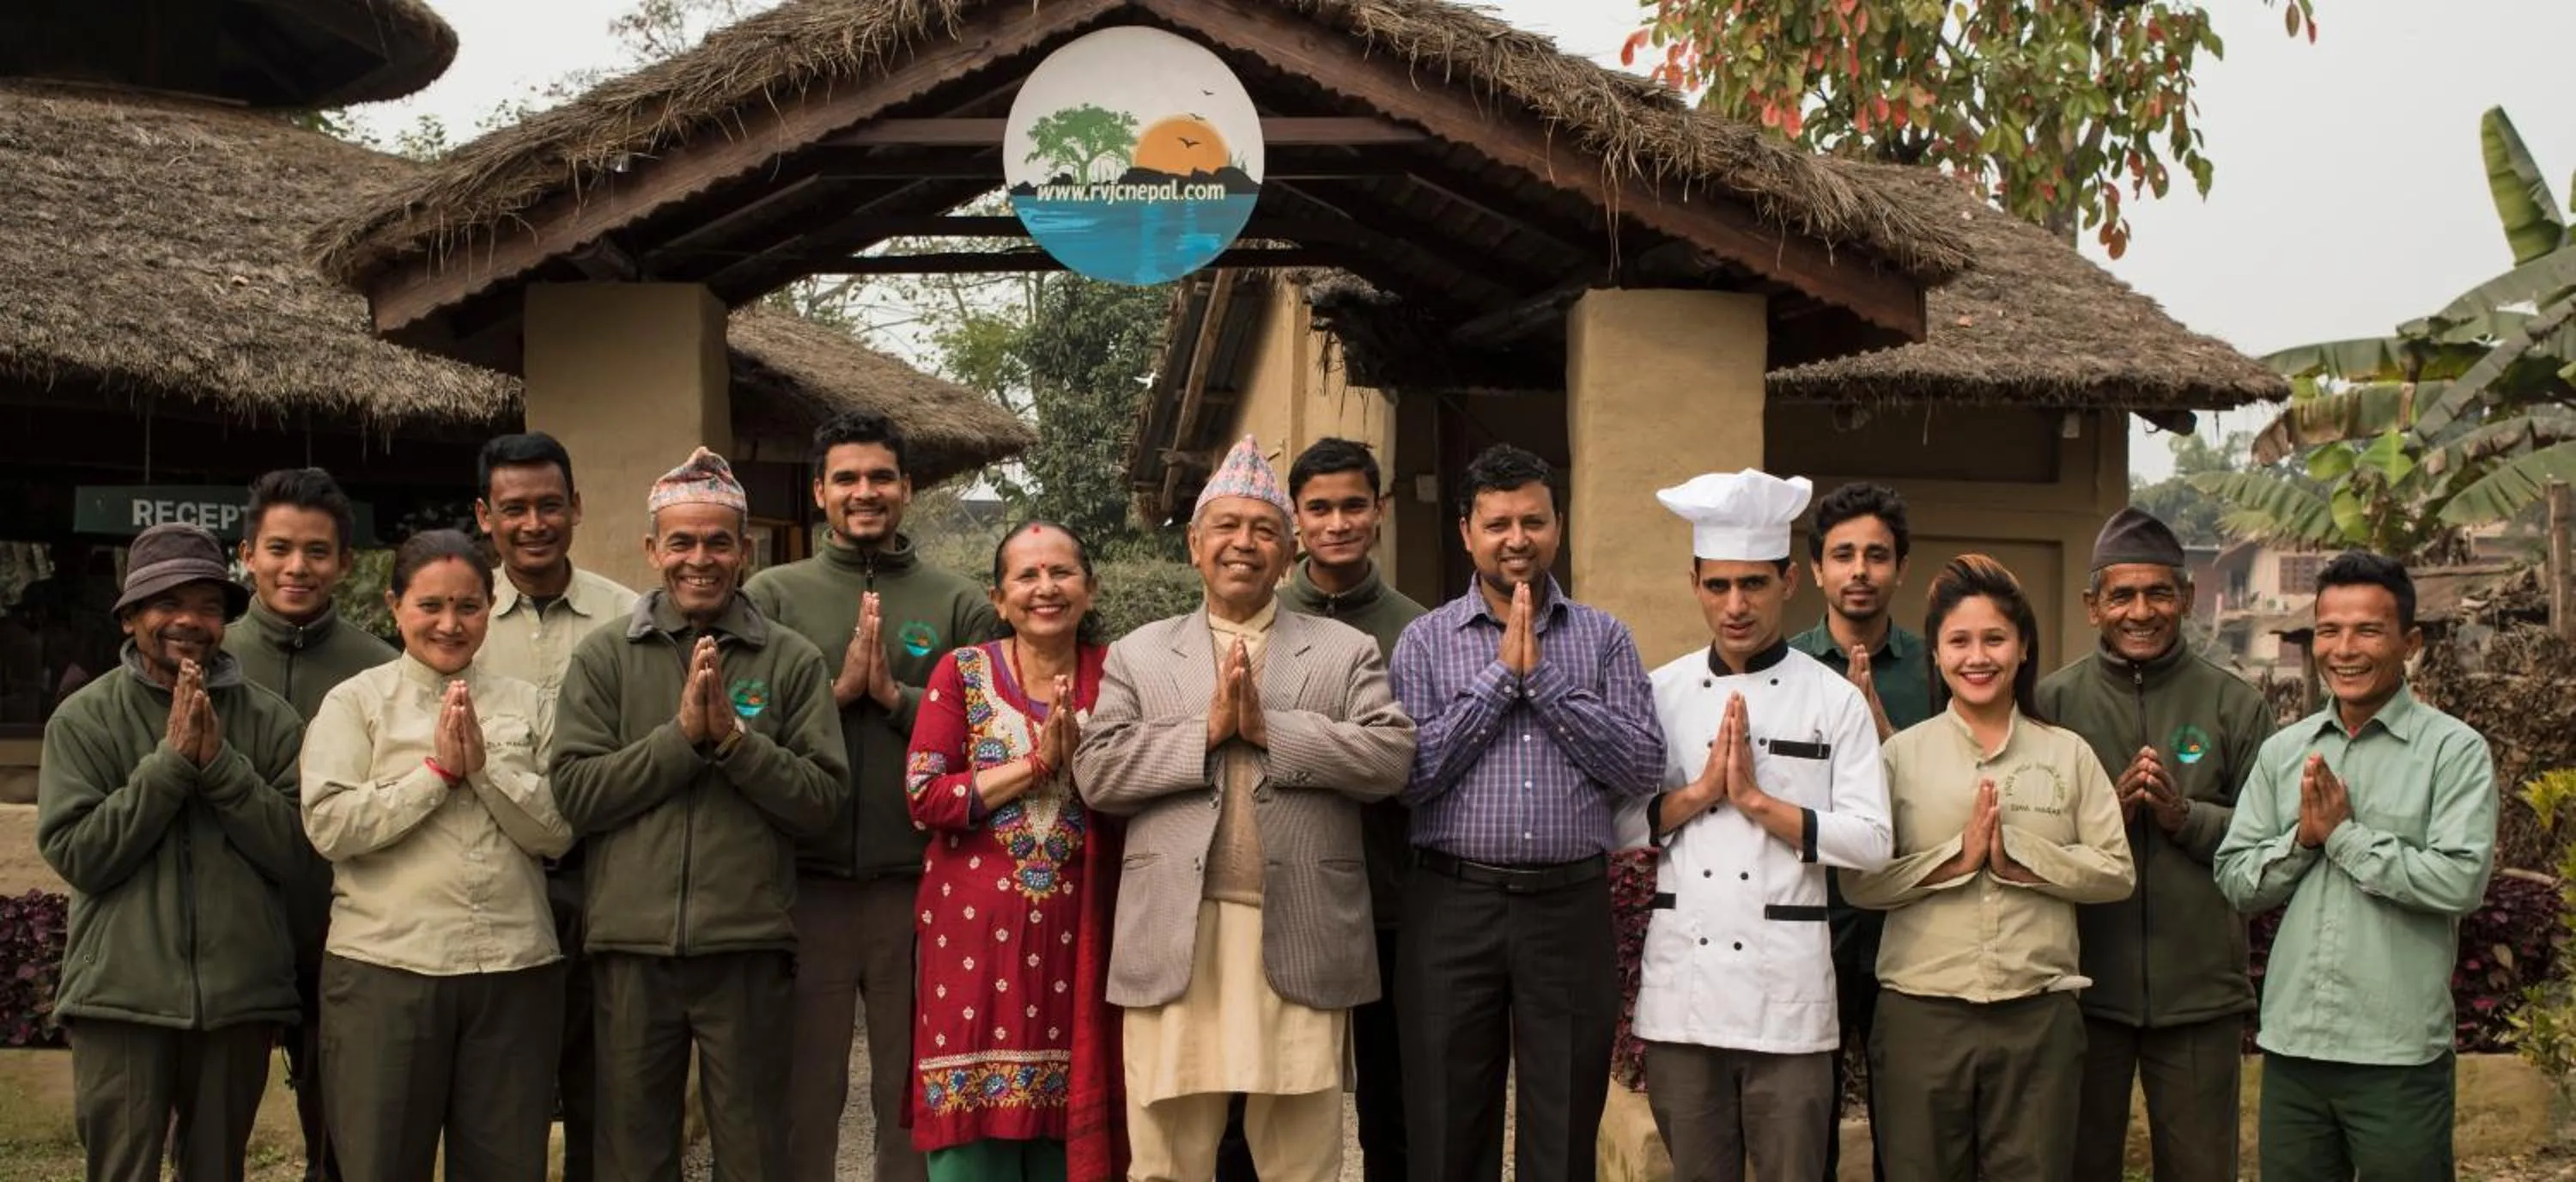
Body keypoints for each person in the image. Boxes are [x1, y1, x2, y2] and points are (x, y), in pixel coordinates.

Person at [1074, 436, 1417, 1182]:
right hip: (1175, 932)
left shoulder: (1343, 651)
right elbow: (1097, 771)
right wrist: (1205, 732)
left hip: (1299, 929)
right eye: (1226, 527)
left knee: (1302, 1156)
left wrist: (1272, 730)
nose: (1244, 544)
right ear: (1195, 545)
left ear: (1288, 551)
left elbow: (1390, 759)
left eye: (1264, 530)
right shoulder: (1139, 654)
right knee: (1167, 1155)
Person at [550, 448, 849, 1182]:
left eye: (718, 541)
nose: (700, 559)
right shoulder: (605, 659)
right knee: (632, 1153)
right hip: (630, 948)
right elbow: (578, 794)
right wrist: (681, 741)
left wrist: (738, 745)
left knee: (752, 1153)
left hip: (745, 945)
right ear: (653, 550)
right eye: (680, 541)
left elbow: (820, 802)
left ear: (744, 550)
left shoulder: (791, 660)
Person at [1391, 443, 1666, 1182]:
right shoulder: (1423, 641)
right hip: (1452, 903)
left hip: (1569, 906)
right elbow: (1409, 775)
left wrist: (1543, 683)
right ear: (1466, 533)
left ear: (1559, 525)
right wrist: (1497, 682)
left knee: (1567, 1124)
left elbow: (1642, 765)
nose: (1518, 539)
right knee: (1448, 1123)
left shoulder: (1604, 638)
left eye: (1534, 522)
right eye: (1499, 523)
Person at [744, 410, 996, 1182]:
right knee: (802, 1090)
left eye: (881, 477)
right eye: (846, 478)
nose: (865, 492)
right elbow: (742, 726)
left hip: (923, 883)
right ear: (819, 492)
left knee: (912, 1091)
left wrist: (895, 699)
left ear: (907, 488)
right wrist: (834, 692)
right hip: (801, 884)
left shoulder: (958, 605)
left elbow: (992, 736)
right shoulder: (771, 597)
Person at [1626, 471, 1893, 1182]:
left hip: (1789, 999)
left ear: (1788, 582)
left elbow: (1873, 839)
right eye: (1719, 586)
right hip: (1683, 994)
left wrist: (1758, 805)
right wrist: (1702, 793)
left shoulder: (1832, 700)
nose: (1736, 605)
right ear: (1695, 585)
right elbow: (1621, 825)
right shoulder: (1660, 691)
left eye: (1753, 584)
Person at [1840, 554, 2134, 1182]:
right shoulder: (1899, 757)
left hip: (2039, 1018)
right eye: (1960, 641)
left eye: (1995, 638)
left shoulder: (2068, 754)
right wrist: (1957, 859)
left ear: (2023, 648)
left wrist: (2018, 859)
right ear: (1938, 655)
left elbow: (2116, 872)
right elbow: (1859, 883)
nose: (1979, 657)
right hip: (1923, 1016)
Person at [35, 522, 308, 1182]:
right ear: (131, 617)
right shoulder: (84, 719)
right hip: (120, 998)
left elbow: (298, 851)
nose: (190, 620)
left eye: (209, 606)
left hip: (237, 999)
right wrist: (170, 765)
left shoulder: (272, 721)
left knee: (218, 1170)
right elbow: (81, 854)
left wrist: (218, 765)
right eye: (168, 603)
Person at [299, 530, 573, 1182]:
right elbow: (329, 825)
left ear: (490, 605)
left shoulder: (530, 705)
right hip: (385, 971)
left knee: (507, 1165)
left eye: (469, 606)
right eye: (430, 606)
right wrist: (436, 777)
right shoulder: (356, 703)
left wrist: (484, 770)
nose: (450, 625)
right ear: (395, 606)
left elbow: (560, 830)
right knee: (382, 1163)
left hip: (514, 969)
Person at [2215, 552, 2496, 1182]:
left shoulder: (2453, 752)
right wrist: (2305, 843)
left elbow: (2459, 879)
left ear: (2410, 643)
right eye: (2329, 630)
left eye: (2368, 630)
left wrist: (2343, 839)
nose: (2345, 648)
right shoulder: (2286, 752)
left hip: (2396, 1056)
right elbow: (2235, 880)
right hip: (2293, 1048)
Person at [2037, 508, 2273, 1182]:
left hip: (2199, 995)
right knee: (2080, 1166)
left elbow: (2271, 840)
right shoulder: (2053, 704)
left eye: (2159, 593)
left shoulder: (2235, 705)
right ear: (2093, 606)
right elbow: (2025, 842)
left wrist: (2185, 817)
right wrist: (2101, 819)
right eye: (2122, 595)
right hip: (2080, 991)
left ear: (2187, 598)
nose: (2141, 611)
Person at [905, 521, 1124, 1181]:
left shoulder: (1121, 674)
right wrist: (1037, 764)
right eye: (1026, 576)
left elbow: (1144, 787)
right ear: (998, 599)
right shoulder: (963, 672)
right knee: (971, 1149)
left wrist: (1082, 761)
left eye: (1061, 572)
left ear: (1090, 589)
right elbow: (924, 795)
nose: (1045, 588)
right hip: (970, 952)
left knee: (1072, 1138)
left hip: (1083, 941)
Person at [1260, 436, 1430, 1182]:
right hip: (1282, 894)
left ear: (1380, 512)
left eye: (1353, 506)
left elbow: (1419, 763)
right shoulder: (1257, 619)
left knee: (1395, 1100)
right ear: (1296, 519)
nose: (1337, 523)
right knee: (1266, 1090)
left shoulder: (1419, 630)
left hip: (1392, 895)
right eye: (1319, 508)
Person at [471, 431, 636, 1182]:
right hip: (496, 886)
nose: (532, 523)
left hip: (605, 878)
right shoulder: (456, 616)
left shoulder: (628, 617)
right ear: (484, 515)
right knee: (507, 1087)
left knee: (605, 1080)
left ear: (576, 507)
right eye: (514, 508)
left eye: (548, 505)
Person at [222, 466, 395, 1182]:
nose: (298, 568)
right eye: (279, 549)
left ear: (346, 563)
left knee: (346, 1146)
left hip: (345, 942)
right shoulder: (209, 656)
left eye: (318, 552)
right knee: (211, 1138)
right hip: (228, 941)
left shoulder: (384, 669)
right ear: (246, 554)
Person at [1784, 482, 1930, 1182]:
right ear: (1816, 571)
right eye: (1843, 555)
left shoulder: (1942, 670)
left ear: (1902, 567)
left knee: (1904, 1122)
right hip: (1811, 922)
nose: (1860, 571)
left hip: (1910, 927)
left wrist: (1885, 739)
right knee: (1808, 1117)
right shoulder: (1785, 671)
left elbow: (1950, 794)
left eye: (1877, 555)